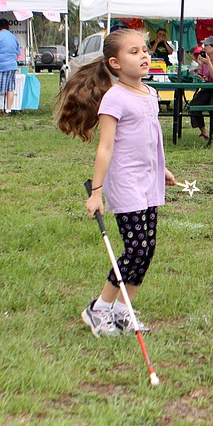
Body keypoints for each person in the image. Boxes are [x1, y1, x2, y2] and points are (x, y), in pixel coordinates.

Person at [54, 28, 177, 337]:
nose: (145, 55)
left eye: (145, 49)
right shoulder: (114, 98)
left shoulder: (149, 94)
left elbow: (150, 139)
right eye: (133, 52)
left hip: (148, 181)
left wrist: (161, 168)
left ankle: (123, 312)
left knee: (147, 248)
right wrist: (96, 193)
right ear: (115, 62)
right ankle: (99, 309)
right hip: (126, 185)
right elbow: (105, 148)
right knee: (135, 248)